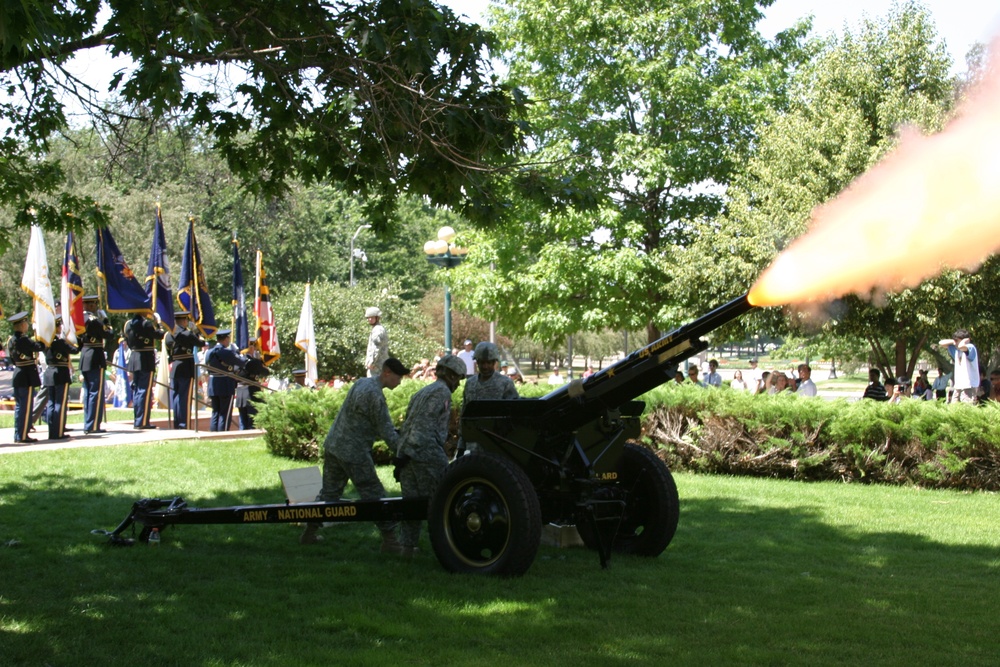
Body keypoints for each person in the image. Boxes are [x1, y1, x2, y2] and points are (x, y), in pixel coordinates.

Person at [300, 357, 411, 550]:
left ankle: (309, 534)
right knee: (374, 494)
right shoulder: (375, 396)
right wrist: (404, 453)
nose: (400, 382)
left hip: (334, 445)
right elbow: (386, 431)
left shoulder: (362, 383)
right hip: (353, 452)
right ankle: (391, 541)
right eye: (398, 377)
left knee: (329, 493)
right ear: (387, 373)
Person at [394, 354, 466, 558]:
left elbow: (408, 425)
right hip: (424, 455)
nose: (458, 384)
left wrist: (403, 455)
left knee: (411, 505)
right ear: (451, 376)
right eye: (458, 379)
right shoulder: (442, 393)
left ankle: (408, 549)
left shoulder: (423, 391)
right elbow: (423, 427)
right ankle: (449, 548)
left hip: (407, 455)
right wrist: (435, 458)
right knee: (443, 501)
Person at [456, 342, 518, 456]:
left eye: (488, 362)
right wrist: (461, 445)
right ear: (477, 362)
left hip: (497, 444)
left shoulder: (505, 383)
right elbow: (464, 414)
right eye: (482, 362)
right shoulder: (470, 383)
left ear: (494, 362)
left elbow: (514, 415)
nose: (485, 366)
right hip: (473, 444)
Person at [6, 311, 44, 443]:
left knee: (20, 407)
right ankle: (22, 435)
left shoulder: (11, 340)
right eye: (26, 323)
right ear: (22, 325)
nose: (27, 325)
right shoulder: (23, 340)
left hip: (18, 373)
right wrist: (41, 336)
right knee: (25, 407)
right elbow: (39, 347)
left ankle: (19, 434)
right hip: (26, 375)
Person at [79, 295, 115, 434]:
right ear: (92, 305)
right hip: (95, 357)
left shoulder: (80, 319)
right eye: (95, 305)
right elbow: (110, 334)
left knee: (88, 392)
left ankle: (88, 423)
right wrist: (105, 320)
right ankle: (93, 425)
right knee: (96, 392)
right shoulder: (94, 321)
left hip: (85, 356)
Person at [124, 310, 165, 429]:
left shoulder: (129, 324)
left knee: (137, 390)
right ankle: (142, 421)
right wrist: (159, 323)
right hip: (145, 359)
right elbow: (160, 335)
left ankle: (138, 420)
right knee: (144, 391)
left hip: (134, 357)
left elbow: (129, 342)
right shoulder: (146, 324)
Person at [165, 310, 205, 429]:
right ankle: (184, 424)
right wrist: (196, 331)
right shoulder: (187, 334)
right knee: (184, 397)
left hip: (174, 366)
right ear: (184, 321)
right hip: (186, 367)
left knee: (176, 396)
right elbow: (201, 343)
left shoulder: (168, 335)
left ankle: (177, 423)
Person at [43, 316, 79, 440]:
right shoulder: (60, 342)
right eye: (59, 326)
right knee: (59, 403)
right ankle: (58, 432)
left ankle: (52, 431)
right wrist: (76, 338)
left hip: (49, 373)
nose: (60, 328)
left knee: (51, 403)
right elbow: (75, 350)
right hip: (60, 374)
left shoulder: (46, 342)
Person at [205, 329, 246, 431]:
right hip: (225, 384)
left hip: (213, 384)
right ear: (226, 339)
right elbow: (242, 362)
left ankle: (213, 433)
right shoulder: (226, 352)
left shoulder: (209, 352)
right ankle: (222, 433)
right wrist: (238, 352)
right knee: (225, 413)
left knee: (215, 412)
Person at [235, 337, 270, 429]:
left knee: (242, 421)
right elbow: (266, 372)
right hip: (251, 390)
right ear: (251, 348)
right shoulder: (254, 362)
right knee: (253, 420)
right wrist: (260, 362)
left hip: (240, 391)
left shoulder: (237, 361)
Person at [939, 329, 979, 404]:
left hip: (969, 385)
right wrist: (953, 341)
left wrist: (964, 341)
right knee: (954, 408)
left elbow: (961, 346)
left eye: (957, 340)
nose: (955, 342)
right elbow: (941, 343)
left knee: (966, 407)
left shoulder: (970, 347)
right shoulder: (956, 350)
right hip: (958, 386)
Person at [364, 306, 389, 377]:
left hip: (377, 367)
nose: (369, 319)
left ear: (377, 318)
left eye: (372, 317)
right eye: (368, 318)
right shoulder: (378, 329)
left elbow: (376, 348)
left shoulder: (377, 330)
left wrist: (372, 362)